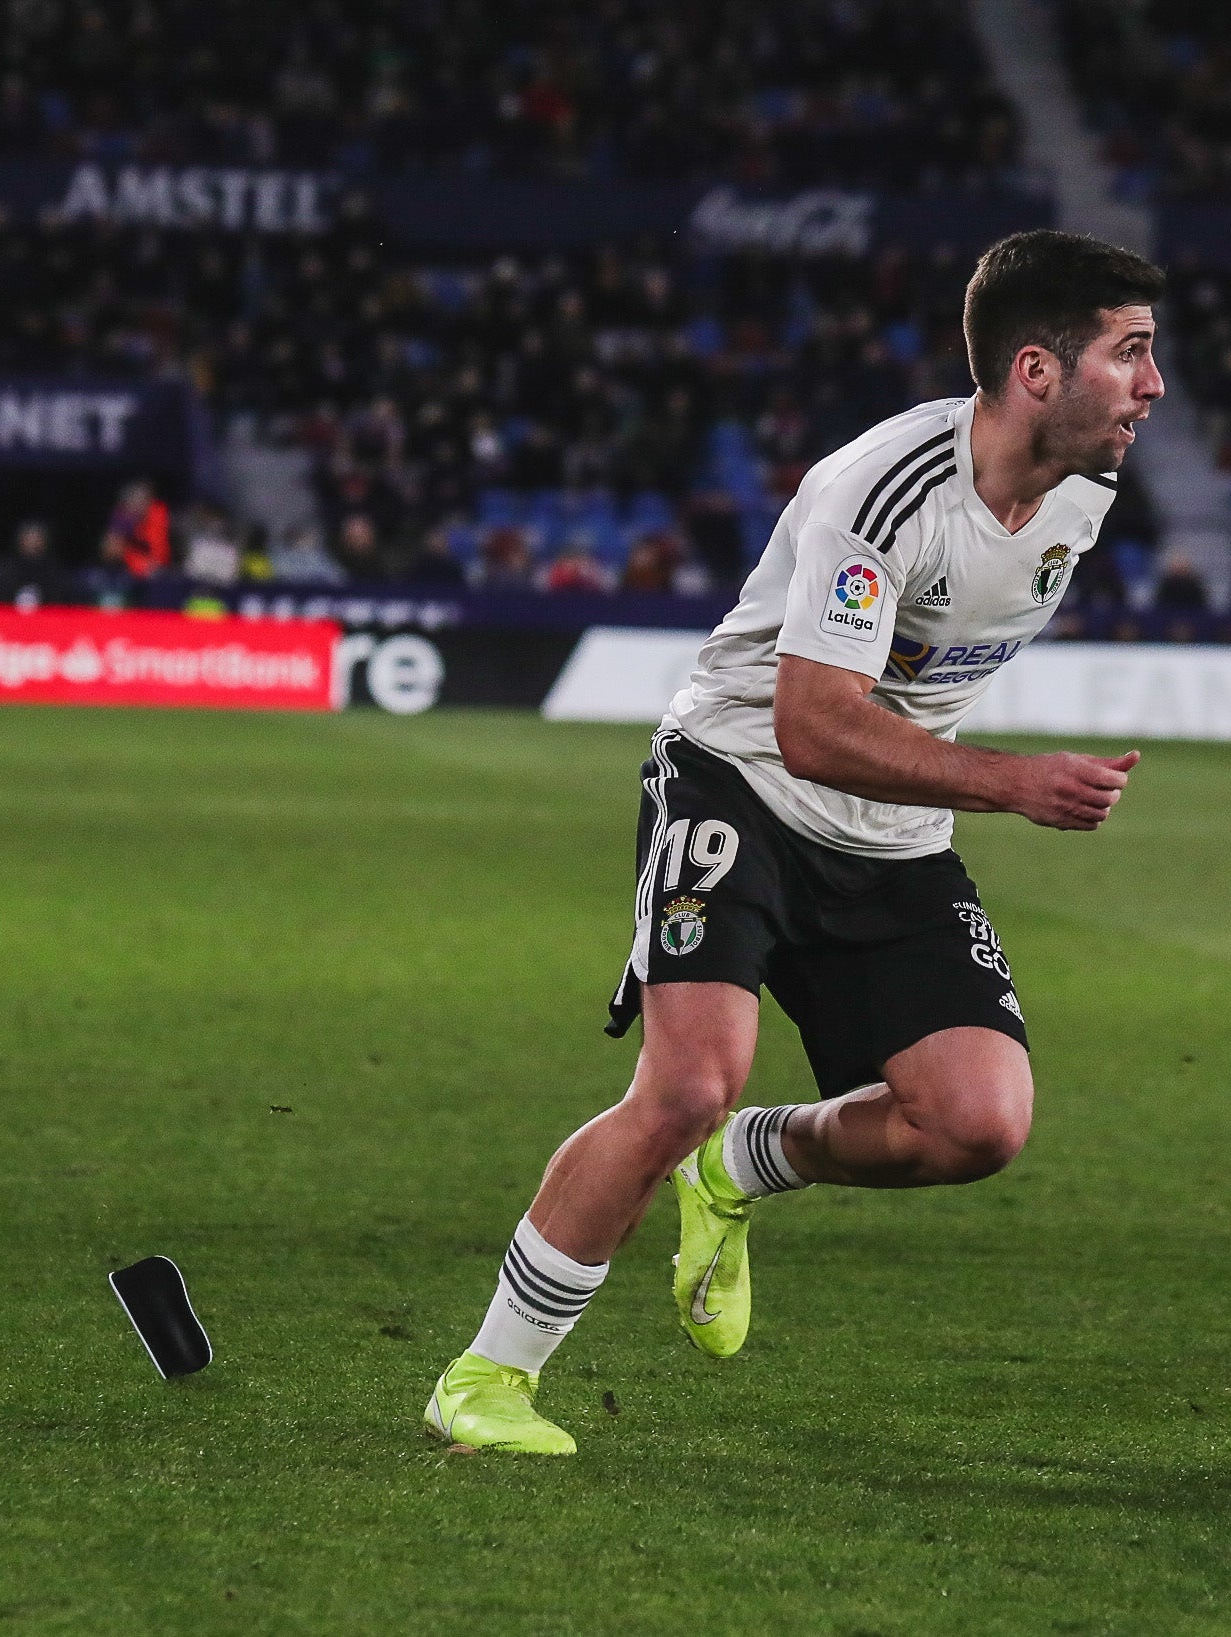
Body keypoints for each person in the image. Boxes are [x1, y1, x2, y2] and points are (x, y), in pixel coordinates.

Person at [426, 230, 1166, 1453]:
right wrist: (1013, 782)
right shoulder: (881, 492)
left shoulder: (1084, 490)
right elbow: (813, 724)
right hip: (742, 778)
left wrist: (957, 788)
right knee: (685, 1082)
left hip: (890, 825)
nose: (1152, 386)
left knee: (977, 1123)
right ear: (1037, 369)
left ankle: (746, 1164)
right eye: (1130, 354)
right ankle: (487, 1375)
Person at [0, 520, 81, 609]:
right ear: (20, 540)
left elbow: (63, 605)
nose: (33, 543)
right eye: (28, 538)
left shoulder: (55, 571)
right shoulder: (6, 569)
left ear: (45, 541)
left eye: (37, 538)